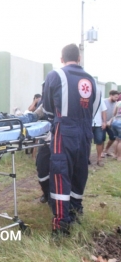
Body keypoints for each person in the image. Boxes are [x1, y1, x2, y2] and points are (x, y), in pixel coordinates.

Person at [42, 44, 100, 236]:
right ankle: (75, 212)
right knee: (79, 171)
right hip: (85, 131)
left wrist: (56, 120)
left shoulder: (55, 75)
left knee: (60, 174)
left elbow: (48, 107)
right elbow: (95, 106)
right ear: (79, 58)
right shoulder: (92, 80)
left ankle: (61, 224)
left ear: (61, 58)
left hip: (64, 130)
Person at [102, 90, 120, 157]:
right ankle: (101, 152)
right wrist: (104, 121)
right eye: (115, 97)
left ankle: (106, 150)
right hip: (102, 122)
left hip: (110, 123)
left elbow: (115, 114)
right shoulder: (104, 101)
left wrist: (110, 121)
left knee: (113, 137)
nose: (116, 99)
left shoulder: (116, 103)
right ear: (111, 95)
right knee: (102, 138)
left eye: (117, 97)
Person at [91, 97, 107, 167]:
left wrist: (104, 121)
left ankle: (99, 159)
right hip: (87, 124)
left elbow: (103, 110)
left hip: (98, 124)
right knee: (87, 142)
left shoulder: (100, 99)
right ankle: (86, 159)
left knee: (99, 141)